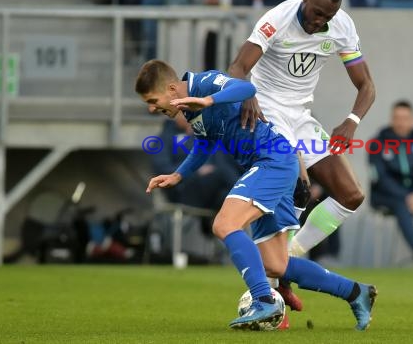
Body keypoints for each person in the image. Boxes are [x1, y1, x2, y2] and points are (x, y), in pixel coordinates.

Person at [135, 59, 376, 330]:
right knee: (275, 265)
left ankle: (263, 300)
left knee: (225, 224)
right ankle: (356, 292)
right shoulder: (190, 110)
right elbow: (205, 142)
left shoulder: (204, 83)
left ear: (170, 89)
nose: (151, 108)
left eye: (153, 100)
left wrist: (209, 101)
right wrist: (178, 175)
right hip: (272, 165)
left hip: (272, 160)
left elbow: (245, 89)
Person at [227, 0, 376, 310]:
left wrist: (351, 122)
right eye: (317, 12)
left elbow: (366, 86)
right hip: (266, 113)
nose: (319, 21)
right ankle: (270, 288)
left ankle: (290, 260)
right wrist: (248, 93)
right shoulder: (277, 18)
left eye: (327, 16)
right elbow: (237, 68)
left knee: (351, 195)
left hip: (301, 117)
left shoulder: (341, 26)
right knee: (298, 188)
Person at [368, 100, 413, 267]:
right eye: (397, 118)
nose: (400, 122)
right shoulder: (377, 144)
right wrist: (406, 196)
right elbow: (381, 178)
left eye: (405, 118)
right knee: (401, 205)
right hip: (386, 196)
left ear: (412, 120)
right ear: (391, 119)